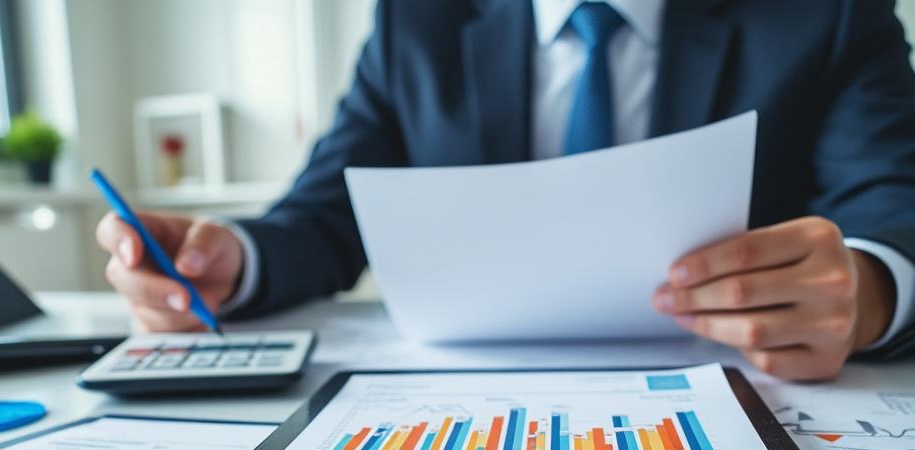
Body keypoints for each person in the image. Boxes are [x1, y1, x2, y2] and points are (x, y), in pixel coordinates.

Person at [98, 0, 915, 380]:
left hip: (746, 391)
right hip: (466, 401)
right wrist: (225, 259)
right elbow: (326, 215)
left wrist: (868, 290)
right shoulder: (416, 24)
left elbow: (891, 206)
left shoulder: (828, 14)